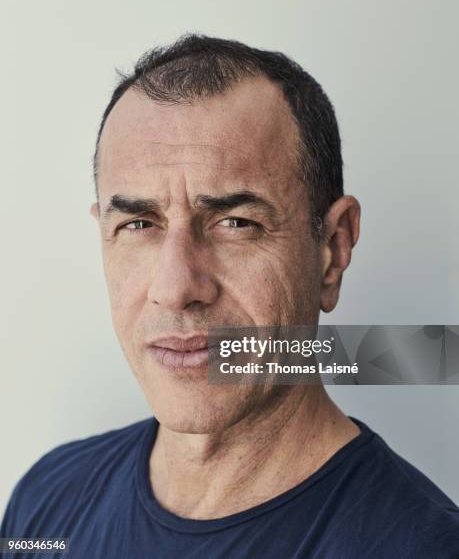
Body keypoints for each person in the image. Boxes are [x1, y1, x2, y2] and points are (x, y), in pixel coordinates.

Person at [1, 34, 458, 558]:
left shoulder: (423, 546)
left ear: (332, 249)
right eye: (139, 223)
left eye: (235, 223)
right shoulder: (45, 500)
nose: (175, 289)